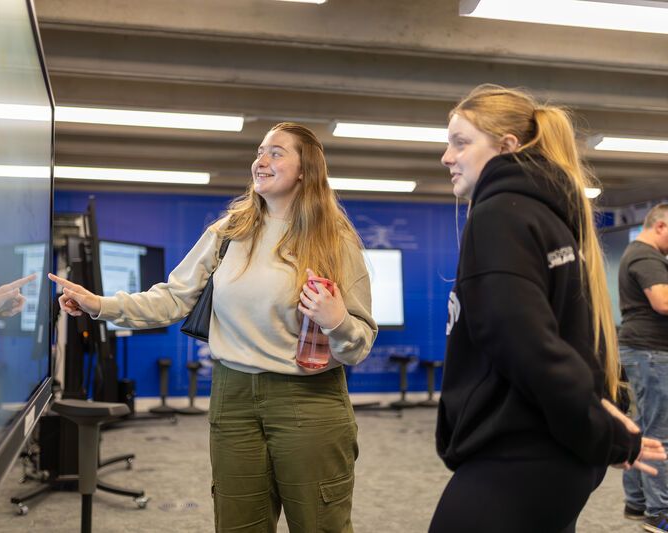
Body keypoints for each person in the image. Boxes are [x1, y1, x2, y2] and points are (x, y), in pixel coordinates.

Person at [49, 122, 377, 533]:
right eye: (259, 152)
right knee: (237, 524)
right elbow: (171, 298)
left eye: (276, 152)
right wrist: (99, 304)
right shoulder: (228, 233)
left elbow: (357, 345)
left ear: (305, 170)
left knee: (319, 524)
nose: (261, 160)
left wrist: (338, 321)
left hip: (308, 400)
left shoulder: (335, 240)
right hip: (232, 397)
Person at [431, 84, 666, 533]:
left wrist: (599, 427)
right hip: (550, 452)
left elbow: (524, 343)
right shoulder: (547, 214)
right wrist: (598, 421)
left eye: (461, 142)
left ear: (507, 147)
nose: (447, 156)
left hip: (519, 454)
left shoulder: (500, 212)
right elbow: (564, 339)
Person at [618, 203, 668, 531]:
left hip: (643, 351)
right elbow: (663, 302)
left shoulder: (639, 254)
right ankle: (659, 512)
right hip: (651, 353)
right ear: (661, 226)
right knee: (660, 433)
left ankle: (637, 503)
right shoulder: (647, 256)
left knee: (643, 426)